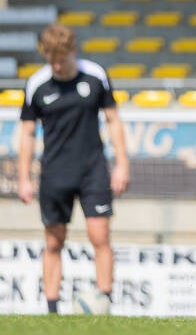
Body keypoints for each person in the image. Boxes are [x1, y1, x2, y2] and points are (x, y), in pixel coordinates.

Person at [17, 23, 129, 314]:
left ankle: (104, 304)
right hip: (55, 173)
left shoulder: (95, 76)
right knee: (54, 241)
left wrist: (122, 165)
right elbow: (27, 133)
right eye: (50, 58)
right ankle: (52, 311)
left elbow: (113, 120)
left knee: (100, 235)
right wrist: (24, 177)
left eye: (60, 58)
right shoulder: (37, 84)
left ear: (72, 52)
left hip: (93, 169)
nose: (55, 64)